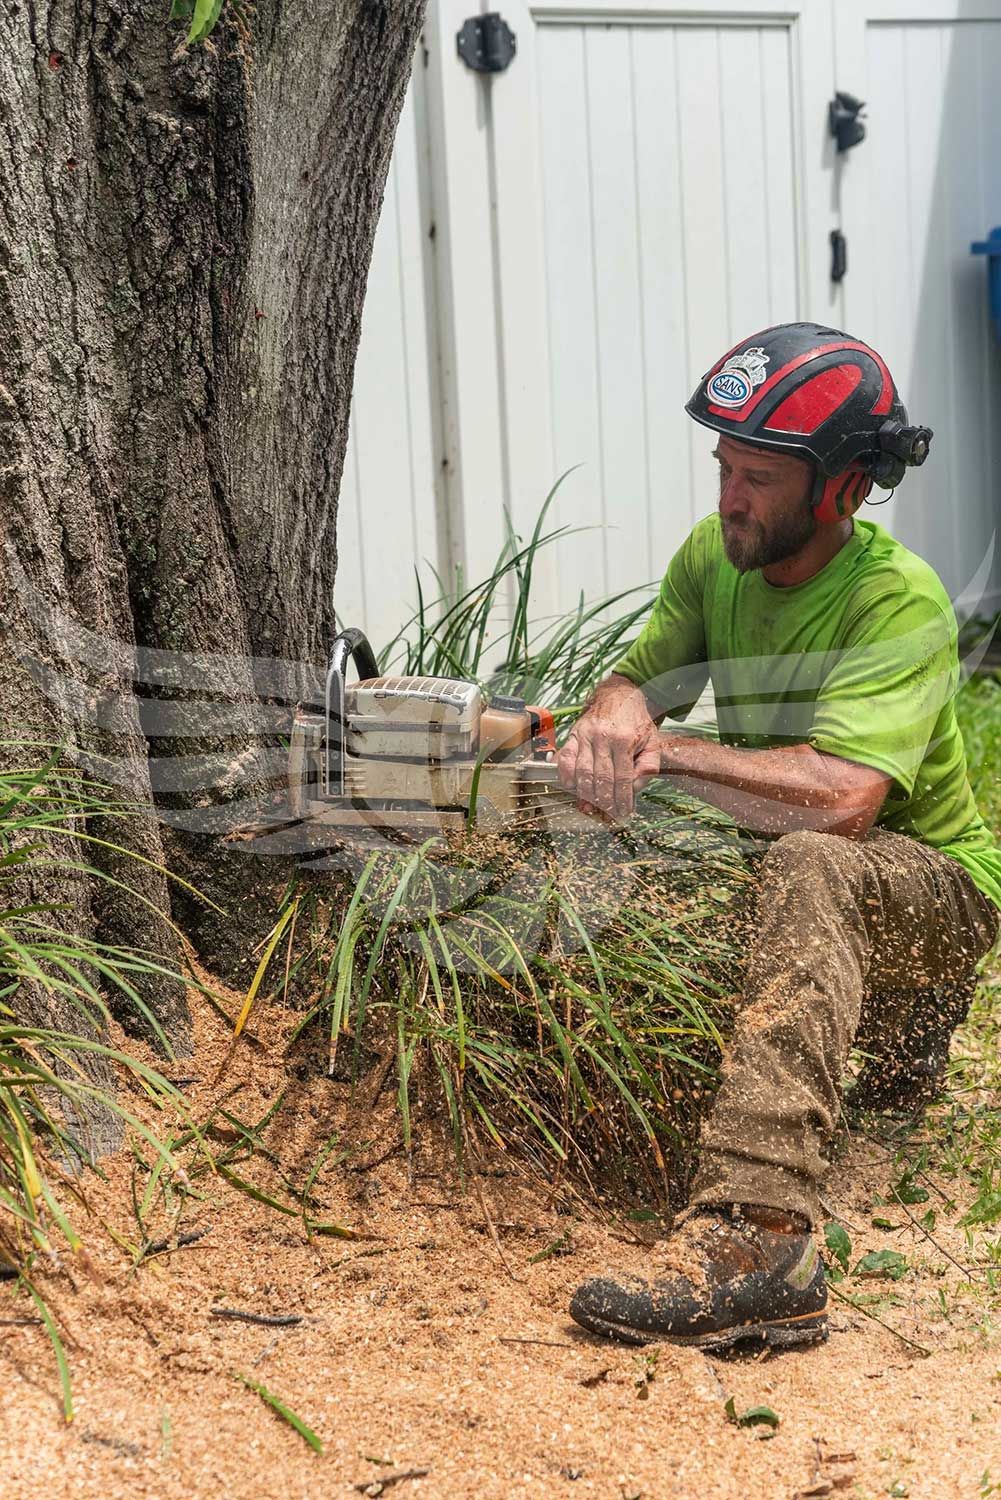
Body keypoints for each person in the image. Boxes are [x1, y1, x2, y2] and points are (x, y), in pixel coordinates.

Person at [558, 322, 1001, 1352]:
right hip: (823, 890)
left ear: (844, 487)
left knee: (804, 855)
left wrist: (669, 756)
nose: (727, 499)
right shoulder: (714, 558)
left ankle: (761, 1244)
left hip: (936, 891)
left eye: (756, 477)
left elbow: (842, 803)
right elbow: (638, 675)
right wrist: (616, 711)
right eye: (722, 467)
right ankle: (879, 1056)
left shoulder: (898, 599)